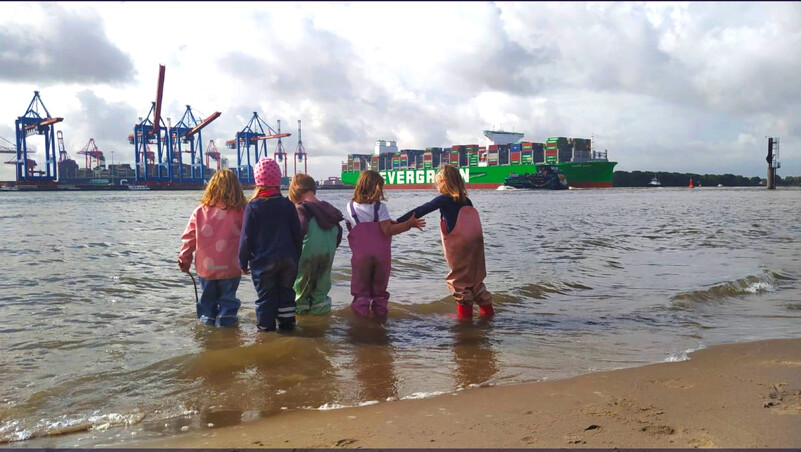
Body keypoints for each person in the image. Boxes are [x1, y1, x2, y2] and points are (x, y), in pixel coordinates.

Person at [396, 164, 494, 319]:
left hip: (459, 246)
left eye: (438, 182)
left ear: (444, 183)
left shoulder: (444, 199)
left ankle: (464, 321)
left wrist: (396, 222)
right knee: (475, 281)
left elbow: (422, 209)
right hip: (475, 246)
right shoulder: (467, 201)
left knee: (460, 283)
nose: (436, 186)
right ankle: (488, 315)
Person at [344, 170, 425, 318]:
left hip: (360, 256)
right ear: (376, 188)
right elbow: (387, 230)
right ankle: (380, 321)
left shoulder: (349, 207)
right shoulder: (379, 208)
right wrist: (409, 224)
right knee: (379, 292)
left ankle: (360, 324)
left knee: (361, 292)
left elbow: (351, 228)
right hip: (381, 256)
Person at [238, 158, 303, 332]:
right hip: (289, 259)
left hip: (263, 261)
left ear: (257, 181)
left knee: (266, 298)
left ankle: (266, 332)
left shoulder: (253, 207)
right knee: (287, 294)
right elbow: (297, 235)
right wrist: (297, 257)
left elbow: (246, 238)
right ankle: (288, 326)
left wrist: (242, 262)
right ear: (278, 180)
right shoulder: (288, 205)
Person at [178, 168, 247, 327]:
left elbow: (189, 239)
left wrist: (184, 259)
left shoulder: (199, 211)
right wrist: (248, 260)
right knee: (228, 300)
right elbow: (248, 238)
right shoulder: (241, 212)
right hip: (231, 267)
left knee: (207, 300)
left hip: (206, 268)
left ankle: (207, 325)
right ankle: (226, 325)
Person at [288, 173, 344, 315]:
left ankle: (303, 329)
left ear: (294, 191)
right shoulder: (330, 211)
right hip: (326, 258)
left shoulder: (300, 210)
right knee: (321, 294)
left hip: (305, 261)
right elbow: (339, 234)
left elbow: (297, 236)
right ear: (313, 189)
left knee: (300, 295)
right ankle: (322, 328)